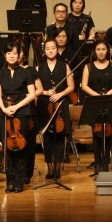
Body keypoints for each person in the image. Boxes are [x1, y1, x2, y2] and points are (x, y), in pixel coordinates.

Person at [0, 39, 38, 192]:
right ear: (4, 55)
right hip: (4, 113)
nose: (12, 56)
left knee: (21, 148)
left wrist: (16, 106)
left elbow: (32, 94)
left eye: (15, 53)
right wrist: (5, 109)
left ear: (20, 55)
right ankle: (10, 181)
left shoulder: (26, 72)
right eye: (9, 53)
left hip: (23, 113)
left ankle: (19, 181)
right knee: (7, 148)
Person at [36, 38, 73, 180]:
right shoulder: (39, 67)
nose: (50, 50)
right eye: (47, 48)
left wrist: (60, 94)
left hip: (60, 105)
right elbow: (37, 89)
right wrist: (46, 92)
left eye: (53, 48)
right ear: (44, 51)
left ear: (57, 50)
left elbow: (70, 86)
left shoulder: (65, 66)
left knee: (59, 137)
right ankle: (50, 167)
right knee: (47, 138)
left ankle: (58, 168)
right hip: (44, 105)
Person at [81, 39, 112, 175]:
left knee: (108, 134)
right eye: (98, 49)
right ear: (94, 51)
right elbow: (84, 85)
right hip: (94, 102)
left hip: (108, 102)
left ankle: (105, 164)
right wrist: (97, 96)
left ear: (107, 50)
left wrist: (107, 95)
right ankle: (97, 164)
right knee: (96, 134)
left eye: (103, 49)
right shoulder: (88, 66)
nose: (101, 52)